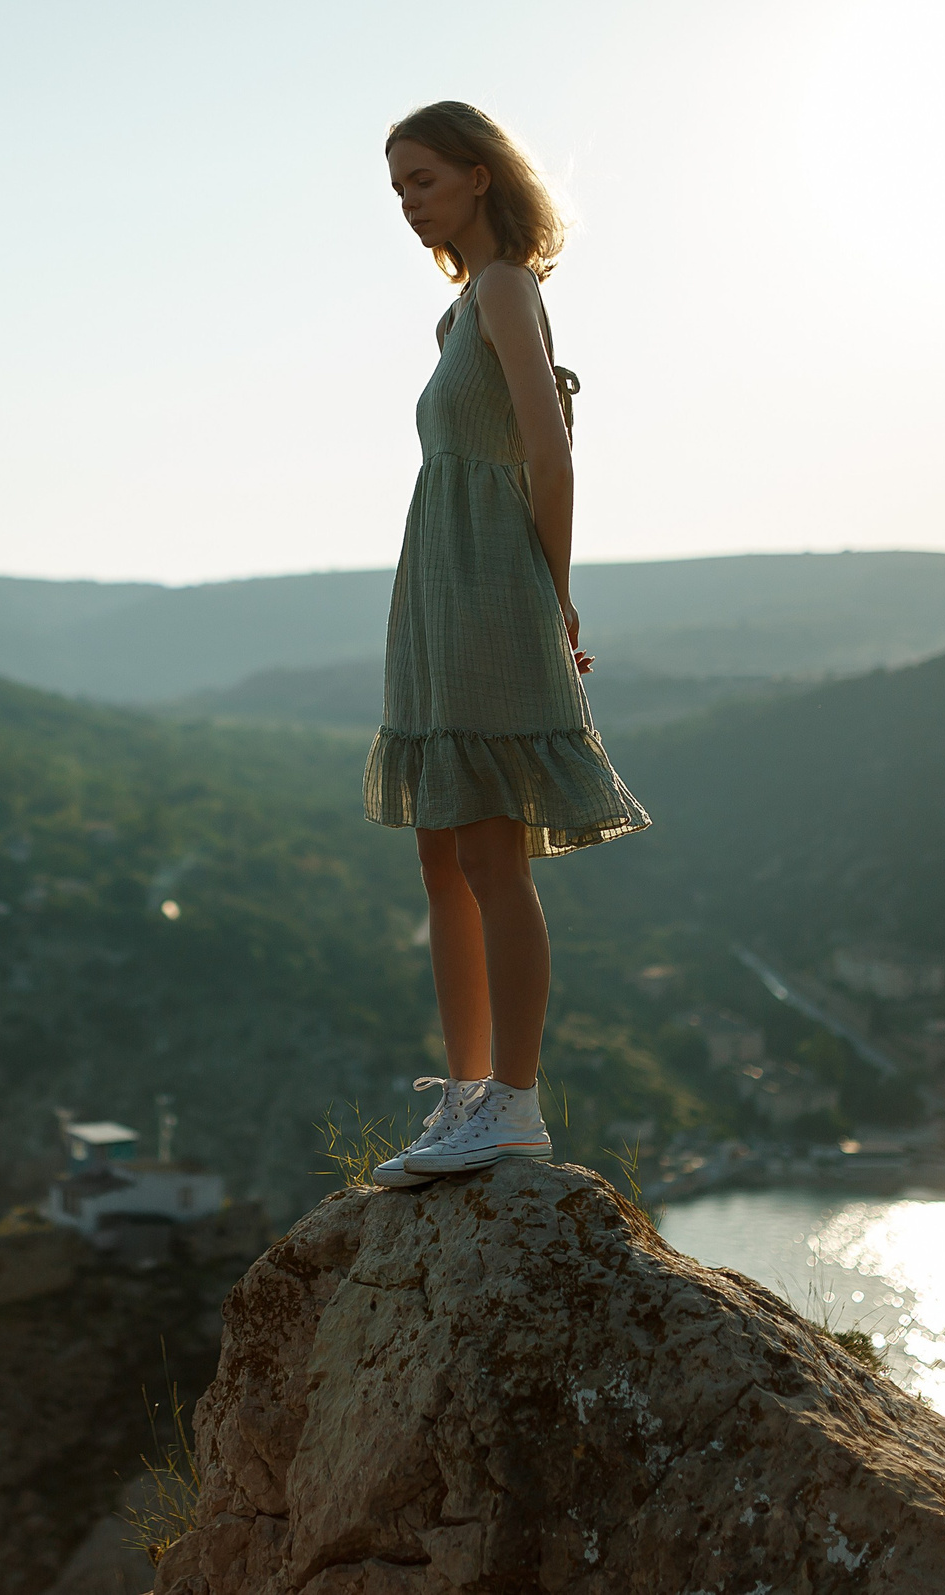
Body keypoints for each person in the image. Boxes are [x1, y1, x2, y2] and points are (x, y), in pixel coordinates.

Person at [363, 101, 651, 1183]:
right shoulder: (457, 318)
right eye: (398, 188)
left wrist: (555, 600)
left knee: (489, 850)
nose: (408, 203)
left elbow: (551, 454)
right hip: (440, 586)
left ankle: (517, 1103)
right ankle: (470, 1092)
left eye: (423, 180)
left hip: (489, 586)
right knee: (442, 849)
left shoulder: (503, 289)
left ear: (480, 177)